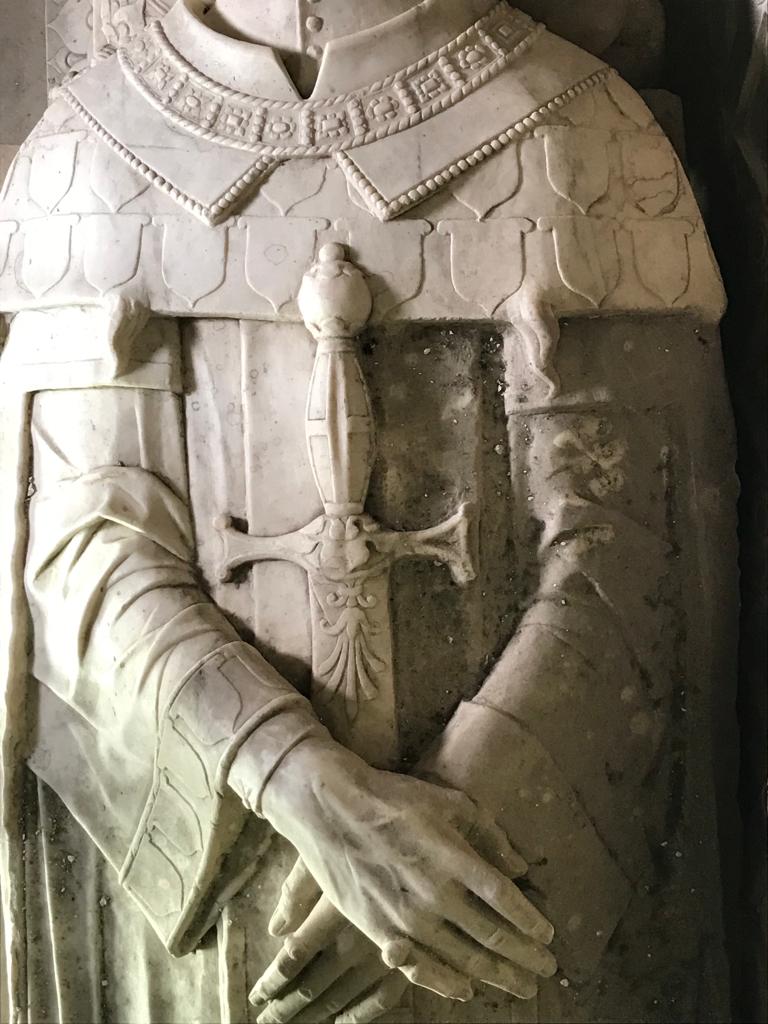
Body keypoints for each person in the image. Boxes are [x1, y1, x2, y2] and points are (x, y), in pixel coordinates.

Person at [0, 1, 737, 1021]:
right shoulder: (92, 156)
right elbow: (85, 551)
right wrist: (312, 797)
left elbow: (631, 559)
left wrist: (455, 842)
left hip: (511, 887)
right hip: (233, 879)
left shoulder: (575, 131)